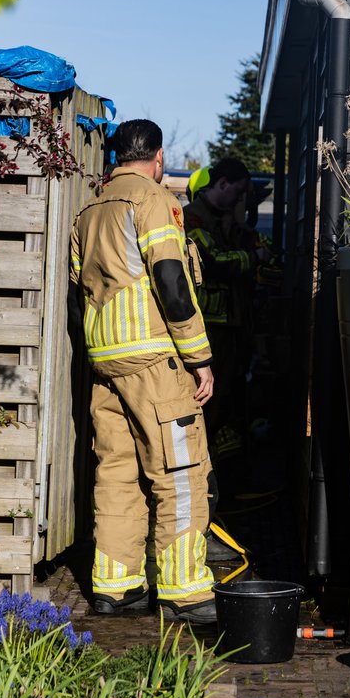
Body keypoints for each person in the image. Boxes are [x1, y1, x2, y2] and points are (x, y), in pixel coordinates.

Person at [69, 119, 217, 624]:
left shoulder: (87, 210)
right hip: (154, 361)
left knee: (116, 472)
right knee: (178, 474)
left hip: (104, 363)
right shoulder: (152, 199)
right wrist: (199, 358)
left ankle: (116, 588)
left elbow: (79, 289)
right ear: (157, 157)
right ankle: (184, 594)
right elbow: (172, 282)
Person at [183, 158, 271, 461]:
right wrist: (254, 257)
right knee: (209, 400)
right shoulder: (192, 219)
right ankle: (202, 465)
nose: (239, 201)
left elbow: (267, 257)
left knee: (231, 400)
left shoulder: (230, 223)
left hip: (234, 327)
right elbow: (213, 261)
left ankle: (224, 473)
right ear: (222, 184)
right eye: (237, 193)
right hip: (208, 327)